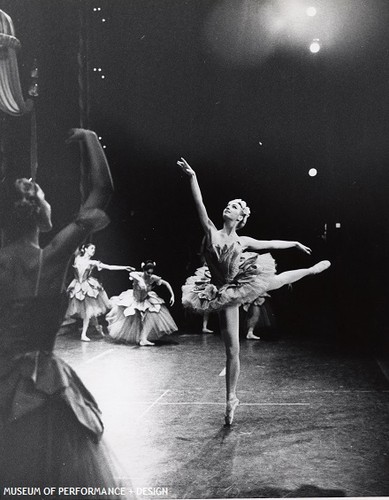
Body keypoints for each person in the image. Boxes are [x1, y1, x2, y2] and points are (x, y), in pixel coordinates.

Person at [0, 128, 127, 495]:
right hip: (37, 389)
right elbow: (103, 191)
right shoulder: (49, 259)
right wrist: (90, 138)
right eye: (44, 196)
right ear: (38, 211)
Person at [177, 157, 330, 426]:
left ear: (240, 217)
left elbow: (268, 242)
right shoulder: (211, 230)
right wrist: (192, 176)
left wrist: (294, 242)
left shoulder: (243, 239)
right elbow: (198, 203)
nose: (228, 207)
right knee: (232, 351)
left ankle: (311, 271)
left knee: (277, 281)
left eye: (234, 207)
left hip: (238, 285)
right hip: (218, 290)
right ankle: (232, 398)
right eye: (228, 204)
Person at [66, 242, 133, 342]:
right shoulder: (77, 258)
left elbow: (109, 267)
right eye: (92, 248)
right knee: (89, 311)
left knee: (88, 311)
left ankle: (83, 334)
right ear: (85, 249)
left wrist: (124, 267)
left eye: (94, 249)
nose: (93, 251)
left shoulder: (93, 262)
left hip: (88, 287)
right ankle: (98, 327)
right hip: (77, 287)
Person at [107, 260, 178, 346]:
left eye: (151, 273)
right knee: (132, 317)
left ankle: (143, 338)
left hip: (145, 300)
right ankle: (136, 337)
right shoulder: (138, 275)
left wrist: (172, 295)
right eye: (148, 273)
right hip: (135, 300)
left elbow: (166, 283)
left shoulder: (152, 277)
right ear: (144, 270)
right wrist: (141, 280)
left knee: (154, 313)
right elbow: (131, 274)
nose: (150, 275)